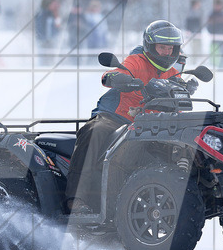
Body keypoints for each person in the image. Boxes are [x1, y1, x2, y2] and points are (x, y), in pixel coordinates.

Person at [64, 20, 194, 212]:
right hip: (117, 118)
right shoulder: (136, 61)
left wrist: (186, 88)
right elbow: (111, 75)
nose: (166, 52)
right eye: (162, 47)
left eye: (170, 48)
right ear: (150, 46)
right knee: (94, 132)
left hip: (151, 125)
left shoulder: (173, 73)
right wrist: (120, 79)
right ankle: (75, 199)